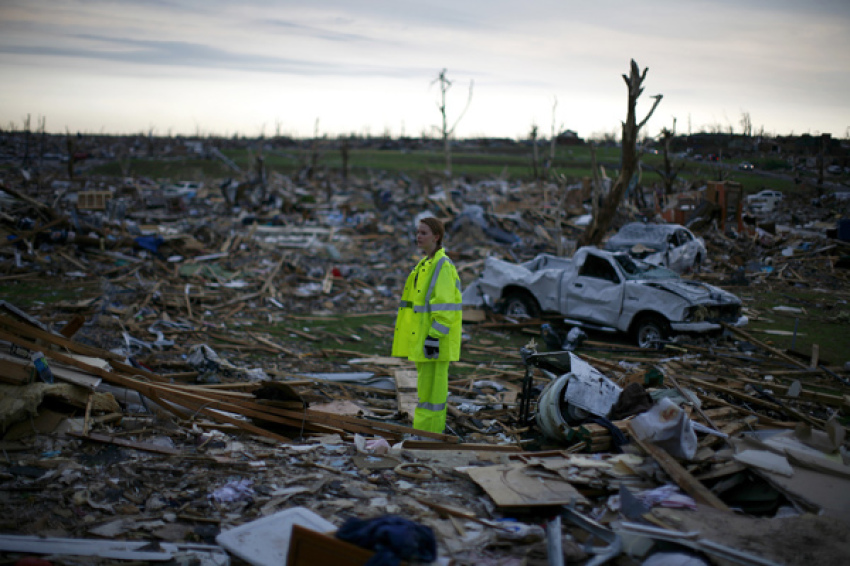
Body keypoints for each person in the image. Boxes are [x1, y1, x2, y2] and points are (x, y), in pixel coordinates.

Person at [392, 217, 462, 434]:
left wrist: (433, 337)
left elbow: (445, 308)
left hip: (435, 342)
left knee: (433, 395)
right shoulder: (425, 265)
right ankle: (423, 431)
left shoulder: (441, 266)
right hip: (427, 341)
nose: (418, 237)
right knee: (426, 393)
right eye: (417, 232)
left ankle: (430, 434)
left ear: (436, 237)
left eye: (423, 233)